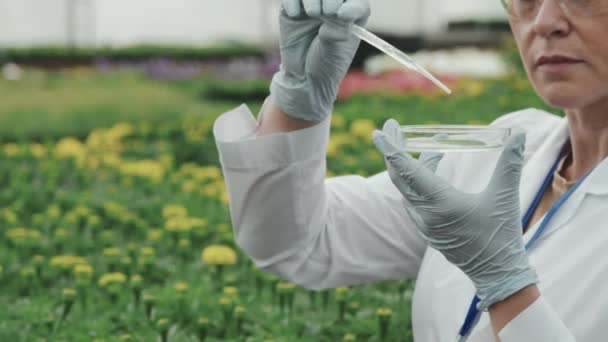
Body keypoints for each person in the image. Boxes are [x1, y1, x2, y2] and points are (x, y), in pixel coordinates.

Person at [212, 0, 608, 340]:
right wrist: (298, 100)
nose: (544, 21)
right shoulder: (499, 150)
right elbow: (298, 242)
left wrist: (507, 286)